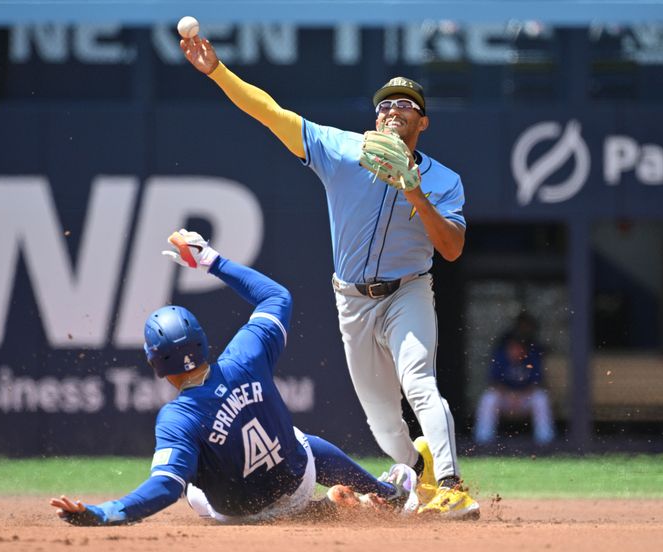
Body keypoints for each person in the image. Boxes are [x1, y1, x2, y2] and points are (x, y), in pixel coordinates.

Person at [180, 35, 479, 519]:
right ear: (375, 117)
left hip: (408, 293)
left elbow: (451, 248)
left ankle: (451, 485)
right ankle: (411, 484)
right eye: (386, 104)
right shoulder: (340, 149)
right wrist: (218, 72)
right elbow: (269, 112)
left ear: (422, 121)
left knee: (419, 379)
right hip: (353, 301)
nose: (394, 109)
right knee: (382, 417)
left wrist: (415, 192)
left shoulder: (443, 180)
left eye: (407, 104)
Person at [50, 229, 419, 526]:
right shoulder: (245, 355)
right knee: (297, 441)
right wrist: (210, 260)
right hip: (296, 486)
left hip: (240, 517)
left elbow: (164, 487)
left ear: (156, 365)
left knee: (190, 485)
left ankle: (327, 511)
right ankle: (387, 494)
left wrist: (102, 513)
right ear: (203, 340)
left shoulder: (178, 418)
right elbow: (276, 297)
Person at [473, 313, 556, 446]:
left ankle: (545, 441)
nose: (515, 350)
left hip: (525, 399)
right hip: (505, 398)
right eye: (512, 347)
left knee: (541, 398)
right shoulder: (501, 357)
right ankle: (483, 440)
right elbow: (494, 382)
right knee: (488, 398)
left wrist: (519, 396)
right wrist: (510, 395)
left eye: (518, 347)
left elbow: (537, 383)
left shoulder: (532, 358)